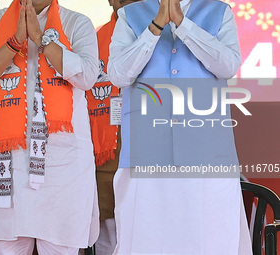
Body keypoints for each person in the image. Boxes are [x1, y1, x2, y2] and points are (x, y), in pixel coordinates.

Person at [108, 0, 253, 254]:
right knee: (146, 239)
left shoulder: (220, 12)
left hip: (207, 154)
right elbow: (118, 75)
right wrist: (155, 27)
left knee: (209, 238)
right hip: (146, 153)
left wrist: (183, 24)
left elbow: (228, 66)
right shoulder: (129, 15)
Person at [0, 0, 99, 254]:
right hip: (5, 166)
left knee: (60, 248)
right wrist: (15, 41)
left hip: (61, 168)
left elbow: (88, 75)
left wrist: (40, 38)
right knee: (7, 248)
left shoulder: (76, 23)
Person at [86, 0, 139, 254]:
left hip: (149, 154)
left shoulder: (165, 36)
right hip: (106, 155)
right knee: (107, 236)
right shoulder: (92, 42)